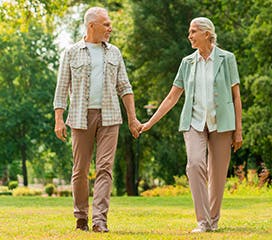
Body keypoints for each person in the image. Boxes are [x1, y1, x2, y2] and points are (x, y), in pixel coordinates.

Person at [140, 17, 243, 233]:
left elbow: (236, 97)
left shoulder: (227, 59)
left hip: (222, 124)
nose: (190, 36)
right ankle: (202, 221)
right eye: (190, 31)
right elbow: (172, 98)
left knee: (217, 175)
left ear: (207, 34)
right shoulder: (187, 63)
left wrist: (238, 130)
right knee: (195, 164)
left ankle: (212, 221)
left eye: (193, 31)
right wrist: (150, 122)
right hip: (194, 122)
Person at [53, 7, 141, 233]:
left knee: (104, 168)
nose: (110, 28)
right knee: (80, 170)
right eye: (106, 24)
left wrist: (132, 118)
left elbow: (125, 86)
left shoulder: (114, 53)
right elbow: (61, 88)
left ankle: (100, 220)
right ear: (91, 26)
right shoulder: (71, 52)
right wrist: (59, 119)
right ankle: (81, 217)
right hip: (81, 118)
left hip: (110, 117)